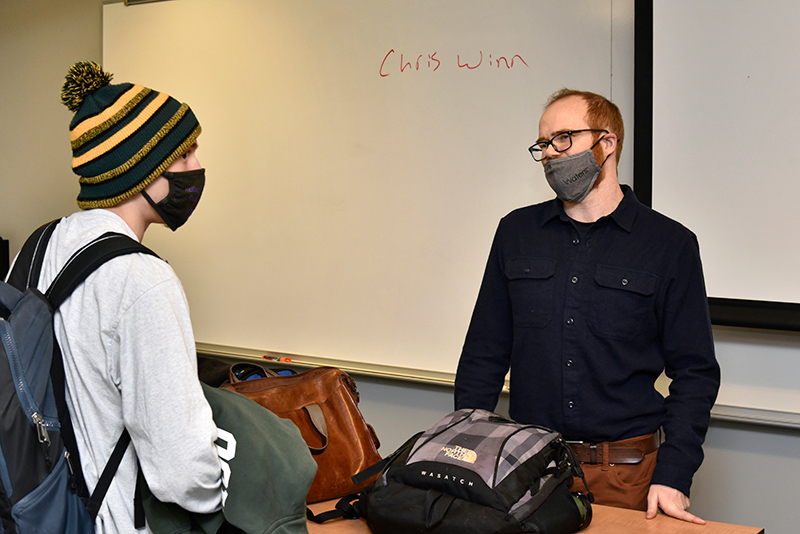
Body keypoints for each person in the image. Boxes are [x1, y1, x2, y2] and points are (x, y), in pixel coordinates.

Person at [454, 88, 720, 524]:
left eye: (563, 139)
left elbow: (696, 372)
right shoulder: (516, 232)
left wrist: (674, 474)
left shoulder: (669, 244)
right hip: (529, 469)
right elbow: (484, 353)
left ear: (608, 142)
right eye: (542, 145)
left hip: (627, 474)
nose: (550, 156)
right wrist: (466, 457)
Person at [16, 61, 222, 532]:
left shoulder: (36, 246)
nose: (197, 168)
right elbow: (182, 472)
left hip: (37, 508)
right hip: (109, 521)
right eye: (185, 155)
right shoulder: (142, 280)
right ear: (142, 171)